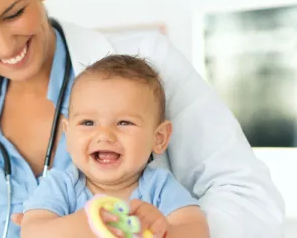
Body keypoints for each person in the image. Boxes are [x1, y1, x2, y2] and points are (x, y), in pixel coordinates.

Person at [0, 0, 284, 237]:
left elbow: (245, 194)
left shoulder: (147, 61)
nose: (6, 45)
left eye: (13, 14)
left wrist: (164, 232)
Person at [21, 55, 209, 238]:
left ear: (158, 138)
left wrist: (166, 230)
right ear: (68, 134)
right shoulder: (61, 186)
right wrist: (78, 226)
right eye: (88, 123)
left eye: (124, 123)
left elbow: (197, 230)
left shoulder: (159, 188)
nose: (104, 135)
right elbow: (31, 231)